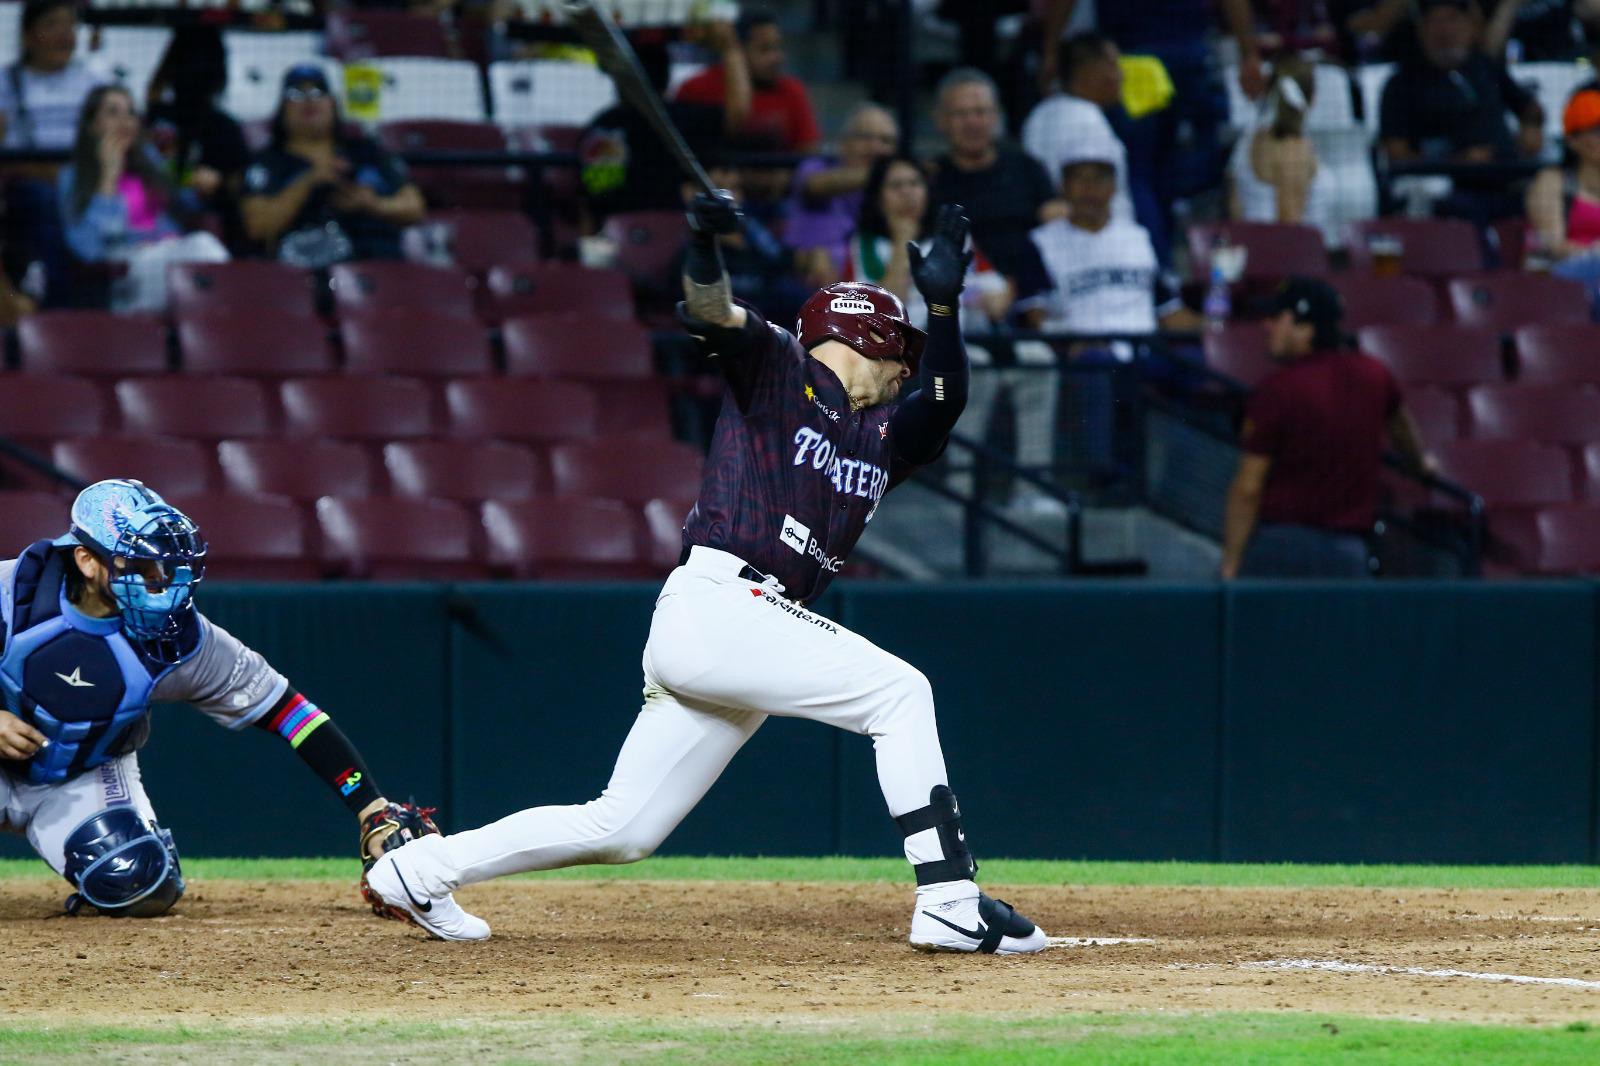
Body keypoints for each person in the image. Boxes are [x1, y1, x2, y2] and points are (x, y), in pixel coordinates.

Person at [364, 194, 1051, 957]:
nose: (905, 374)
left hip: (739, 627)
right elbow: (707, 308)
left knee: (621, 827)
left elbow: (947, 403)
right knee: (901, 692)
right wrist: (700, 240)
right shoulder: (781, 369)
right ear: (871, 337)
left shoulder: (879, 436)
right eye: (902, 354)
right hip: (726, 602)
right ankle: (950, 898)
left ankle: (417, 871)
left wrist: (947, 304)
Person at [0, 479, 449, 918]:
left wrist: (369, 805)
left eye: (162, 569)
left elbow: (289, 712)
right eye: (137, 568)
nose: (158, 584)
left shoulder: (179, 640)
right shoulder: (12, 593)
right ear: (86, 560)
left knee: (137, 882)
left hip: (80, 773)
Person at [1219, 278, 1429, 579]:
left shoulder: (1279, 389)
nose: (1267, 326)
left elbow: (1248, 487)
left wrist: (1231, 560)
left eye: (1278, 318)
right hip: (1348, 554)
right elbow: (1403, 430)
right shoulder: (1375, 374)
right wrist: (1420, 466)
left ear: (1306, 329)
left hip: (1281, 549)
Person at [57, 85, 229, 312]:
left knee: (204, 248)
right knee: (204, 250)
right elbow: (89, 250)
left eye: (130, 113)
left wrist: (198, 188)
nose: (124, 121)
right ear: (92, 125)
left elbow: (181, 208)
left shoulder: (149, 162)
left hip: (169, 256)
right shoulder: (73, 176)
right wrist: (108, 178)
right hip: (126, 274)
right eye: (113, 112)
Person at [240, 65, 425, 267]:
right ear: (282, 108)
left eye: (319, 91)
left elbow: (414, 207)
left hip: (380, 265)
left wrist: (372, 204)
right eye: (296, 93)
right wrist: (310, 181)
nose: (309, 100)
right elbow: (257, 227)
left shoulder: (367, 152)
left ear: (333, 103)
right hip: (306, 271)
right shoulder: (268, 162)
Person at [0, 0, 107, 307]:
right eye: (52, 24)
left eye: (70, 25)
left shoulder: (93, 82)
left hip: (88, 180)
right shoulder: (7, 83)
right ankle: (58, 311)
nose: (65, 34)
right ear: (27, 36)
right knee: (45, 204)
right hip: (29, 185)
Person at [843, 152, 1013, 330]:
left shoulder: (952, 235)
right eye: (895, 186)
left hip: (959, 342)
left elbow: (997, 290)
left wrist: (994, 299)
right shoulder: (864, 244)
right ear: (878, 198)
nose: (907, 193)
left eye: (914, 183)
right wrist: (902, 242)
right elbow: (882, 311)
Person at [928, 68, 1060, 286]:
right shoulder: (930, 178)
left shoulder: (1027, 167)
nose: (972, 122)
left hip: (1031, 290)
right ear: (940, 120)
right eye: (960, 114)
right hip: (960, 293)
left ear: (997, 116)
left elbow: (1055, 224)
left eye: (980, 112)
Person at [578, 38, 722, 232]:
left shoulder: (605, 125)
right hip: (669, 229)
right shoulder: (607, 126)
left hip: (637, 230)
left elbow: (596, 193)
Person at [1379, 0, 1544, 165]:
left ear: (1470, 27)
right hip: (1445, 182)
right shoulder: (1400, 84)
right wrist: (1456, 162)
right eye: (1435, 22)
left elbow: (1529, 108)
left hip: (1506, 172)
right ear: (1421, 30)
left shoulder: (1485, 67)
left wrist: (1531, 127)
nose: (1445, 30)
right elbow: (1397, 154)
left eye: (1453, 19)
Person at [144, 26, 250, 252]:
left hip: (208, 233)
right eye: (187, 59)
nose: (195, 70)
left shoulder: (225, 128)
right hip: (154, 223)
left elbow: (239, 191)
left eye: (204, 62)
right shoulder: (156, 118)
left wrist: (218, 186)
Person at [1022, 33, 1135, 225]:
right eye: (1113, 65)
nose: (1121, 75)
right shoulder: (1087, 120)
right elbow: (1098, 203)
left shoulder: (1039, 114)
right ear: (1088, 71)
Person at [674, 8, 820, 152]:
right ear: (739, 51)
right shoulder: (696, 88)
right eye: (765, 49)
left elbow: (808, 152)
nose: (777, 58)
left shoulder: (791, 90)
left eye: (778, 47)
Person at [786, 103, 900, 277]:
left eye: (885, 140)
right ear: (843, 143)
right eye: (865, 137)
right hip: (803, 280)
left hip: (875, 280)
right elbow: (815, 185)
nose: (876, 148)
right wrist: (884, 174)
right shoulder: (817, 166)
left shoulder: (895, 188)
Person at [1227, 55, 1334, 229]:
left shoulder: (1247, 139)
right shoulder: (1292, 147)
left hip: (1251, 246)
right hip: (1289, 253)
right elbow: (1290, 230)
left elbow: (1234, 206)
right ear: (1312, 97)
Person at [1526, 89, 1600, 315]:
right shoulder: (1553, 182)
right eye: (1597, 131)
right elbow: (1551, 246)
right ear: (1573, 141)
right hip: (1561, 276)